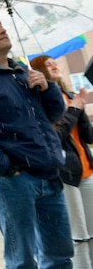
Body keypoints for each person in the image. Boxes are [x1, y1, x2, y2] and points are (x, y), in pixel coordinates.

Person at [0, 16, 73, 268]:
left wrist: (46, 87)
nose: (2, 31)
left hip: (49, 175)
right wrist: (7, 168)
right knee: (22, 260)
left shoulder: (24, 75)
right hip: (13, 181)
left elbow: (54, 115)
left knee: (59, 255)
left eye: (3, 27)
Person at [30, 54, 93, 243]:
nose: (54, 66)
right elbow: (54, 137)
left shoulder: (70, 96)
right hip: (65, 172)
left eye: (55, 63)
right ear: (40, 71)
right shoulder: (40, 103)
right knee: (78, 236)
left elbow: (89, 137)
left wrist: (79, 107)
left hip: (87, 169)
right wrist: (74, 109)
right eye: (48, 65)